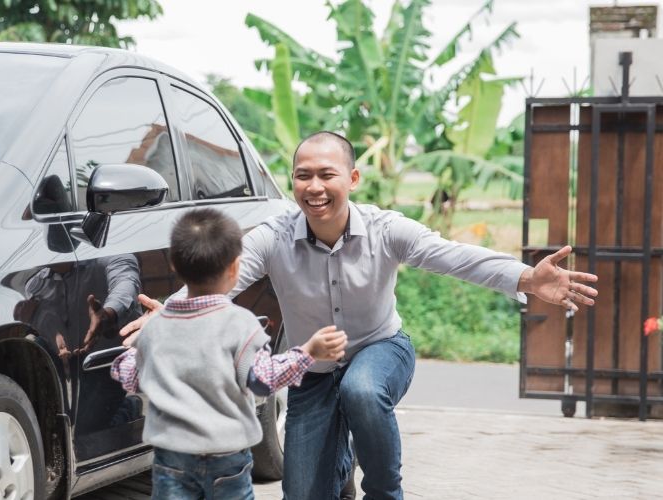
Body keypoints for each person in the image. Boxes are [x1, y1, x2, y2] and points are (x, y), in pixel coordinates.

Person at [121, 131, 599, 500]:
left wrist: (527, 279)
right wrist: (172, 315)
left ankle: (384, 492)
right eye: (302, 175)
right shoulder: (274, 235)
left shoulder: (386, 229)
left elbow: (452, 256)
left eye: (326, 174)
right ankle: (338, 466)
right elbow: (222, 276)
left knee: (361, 390)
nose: (314, 187)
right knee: (304, 491)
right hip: (312, 370)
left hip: (380, 349)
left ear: (352, 179)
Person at [110, 208, 347, 499]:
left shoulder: (155, 327)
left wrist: (124, 357)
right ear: (235, 268)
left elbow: (133, 379)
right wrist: (308, 352)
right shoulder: (240, 324)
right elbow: (262, 380)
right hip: (227, 455)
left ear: (173, 265)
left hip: (173, 454)